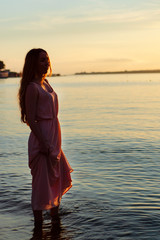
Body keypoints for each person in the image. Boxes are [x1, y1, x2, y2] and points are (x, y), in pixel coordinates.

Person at [18, 48, 73, 230]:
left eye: (47, 59)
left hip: (53, 136)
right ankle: (39, 226)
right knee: (41, 183)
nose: (47, 63)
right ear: (33, 63)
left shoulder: (46, 83)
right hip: (42, 138)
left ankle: (55, 221)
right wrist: (43, 142)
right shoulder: (32, 87)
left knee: (56, 178)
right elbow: (31, 119)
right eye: (42, 60)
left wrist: (53, 141)